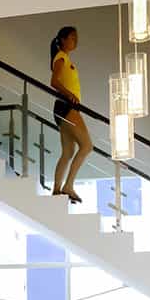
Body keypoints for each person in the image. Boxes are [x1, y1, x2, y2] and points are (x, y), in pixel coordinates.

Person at [49, 26, 92, 205]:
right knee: (87, 146)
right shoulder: (61, 57)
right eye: (72, 37)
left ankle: (56, 190)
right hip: (67, 107)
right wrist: (69, 94)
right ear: (63, 39)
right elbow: (54, 81)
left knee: (68, 152)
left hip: (62, 108)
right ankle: (68, 186)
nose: (75, 40)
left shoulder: (65, 58)